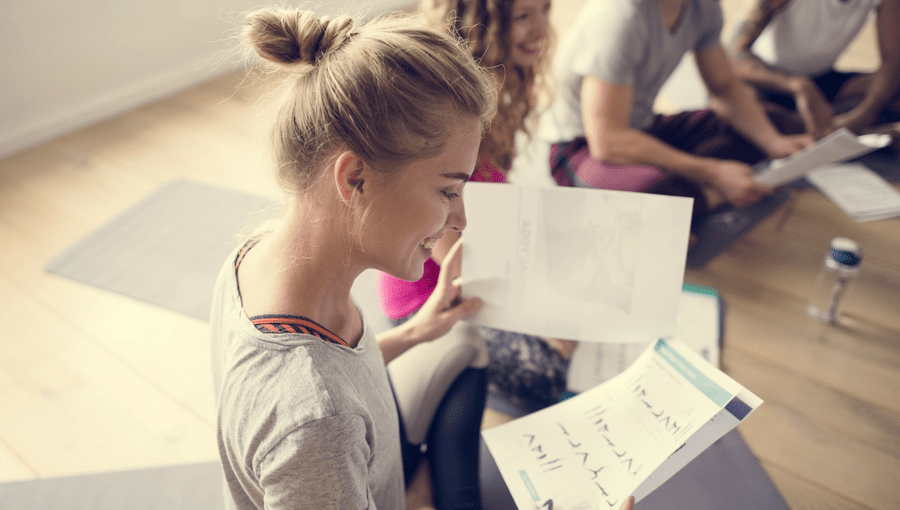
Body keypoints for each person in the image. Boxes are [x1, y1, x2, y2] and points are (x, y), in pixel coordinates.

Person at [209, 8, 499, 509]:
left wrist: (414, 331)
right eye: (448, 191)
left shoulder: (253, 253)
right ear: (353, 179)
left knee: (465, 344)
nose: (461, 219)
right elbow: (319, 400)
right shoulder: (320, 427)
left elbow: (333, 373)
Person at [377, 0, 580, 417]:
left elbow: (492, 207)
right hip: (433, 295)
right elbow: (448, 251)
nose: (541, 29)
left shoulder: (501, 92)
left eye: (544, 10)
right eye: (524, 16)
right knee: (545, 372)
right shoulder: (448, 110)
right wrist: (540, 305)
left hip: (482, 266)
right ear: (481, 25)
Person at [539, 0, 813, 215]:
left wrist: (773, 142)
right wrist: (714, 172)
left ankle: (700, 196)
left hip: (643, 129)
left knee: (778, 122)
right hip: (580, 147)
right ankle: (704, 193)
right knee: (662, 197)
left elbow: (724, 86)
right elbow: (608, 141)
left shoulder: (702, 7)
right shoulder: (620, 17)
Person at [730, 0, 900, 140]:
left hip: (820, 78)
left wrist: (863, 115)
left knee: (892, 86)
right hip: (768, 79)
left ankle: (819, 129)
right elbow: (732, 56)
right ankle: (821, 130)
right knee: (738, 104)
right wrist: (798, 86)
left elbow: (892, 61)